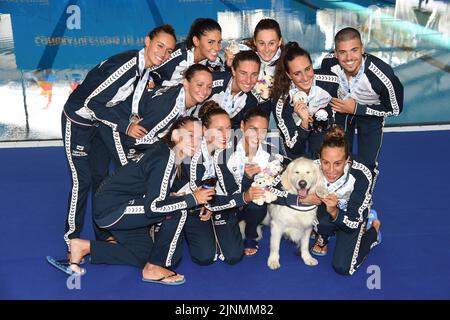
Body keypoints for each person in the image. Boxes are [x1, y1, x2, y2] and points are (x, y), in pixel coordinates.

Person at [49, 116, 215, 285]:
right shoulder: (166, 158)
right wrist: (193, 199)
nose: (196, 142)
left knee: (146, 256)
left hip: (120, 205)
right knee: (178, 211)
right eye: (190, 135)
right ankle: (153, 269)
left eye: (200, 138)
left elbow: (150, 188)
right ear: (175, 135)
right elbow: (153, 207)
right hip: (113, 209)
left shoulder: (166, 152)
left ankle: (84, 247)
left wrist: (172, 197)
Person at [60, 25, 177, 256]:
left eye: (168, 50)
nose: (163, 54)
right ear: (147, 41)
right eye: (159, 46)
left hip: (101, 124)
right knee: (81, 181)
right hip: (79, 122)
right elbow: (91, 103)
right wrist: (125, 126)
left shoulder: (146, 69)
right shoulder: (127, 66)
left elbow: (116, 100)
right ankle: (71, 239)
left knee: (100, 179)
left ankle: (104, 234)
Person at [168, 101, 266, 265]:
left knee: (233, 257)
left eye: (228, 128)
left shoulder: (224, 152)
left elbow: (230, 192)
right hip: (189, 207)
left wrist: (242, 189)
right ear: (205, 131)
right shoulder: (192, 155)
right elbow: (196, 195)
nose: (226, 135)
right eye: (219, 130)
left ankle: (223, 225)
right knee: (204, 258)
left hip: (217, 203)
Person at [320, 27, 403, 190]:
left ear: (362, 49)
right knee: (338, 156)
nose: (349, 58)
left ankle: (365, 200)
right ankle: (337, 193)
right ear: (335, 53)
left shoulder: (382, 75)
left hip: (369, 113)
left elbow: (395, 108)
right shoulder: (329, 64)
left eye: (354, 50)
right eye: (342, 52)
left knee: (367, 163)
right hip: (342, 112)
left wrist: (358, 109)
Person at [98, 64, 213, 167]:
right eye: (199, 85)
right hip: (118, 129)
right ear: (186, 84)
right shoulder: (168, 107)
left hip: (135, 134)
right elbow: (135, 139)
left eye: (209, 87)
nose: (204, 91)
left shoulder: (189, 102)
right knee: (131, 176)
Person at [304, 125, 381, 275]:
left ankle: (374, 231)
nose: (331, 170)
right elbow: (283, 187)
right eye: (325, 162)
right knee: (316, 217)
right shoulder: (310, 166)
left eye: (338, 163)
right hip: (324, 208)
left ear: (347, 160)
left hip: (352, 213)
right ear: (319, 158)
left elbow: (352, 223)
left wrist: (334, 211)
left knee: (342, 267)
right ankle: (323, 235)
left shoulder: (362, 174)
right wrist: (304, 198)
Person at [223, 107, 288, 256]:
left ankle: (251, 234)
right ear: (242, 126)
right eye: (253, 129)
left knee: (258, 204)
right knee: (230, 254)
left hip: (254, 205)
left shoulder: (271, 151)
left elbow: (284, 173)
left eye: (263, 130)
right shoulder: (226, 151)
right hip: (229, 204)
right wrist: (245, 179)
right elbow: (225, 190)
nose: (258, 135)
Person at [271, 42, 339, 159]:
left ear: (312, 65)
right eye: (297, 73)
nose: (305, 77)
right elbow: (294, 148)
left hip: (323, 132)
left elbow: (343, 112)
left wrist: (325, 113)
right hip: (298, 139)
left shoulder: (332, 81)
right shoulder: (281, 100)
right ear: (289, 75)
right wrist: (304, 123)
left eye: (307, 69)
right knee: (297, 165)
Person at [224, 18, 283, 103]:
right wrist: (228, 66)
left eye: (271, 43)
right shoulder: (243, 54)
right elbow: (227, 87)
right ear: (255, 41)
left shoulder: (287, 63)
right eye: (261, 43)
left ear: (279, 41)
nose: (266, 49)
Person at [152, 18, 223, 87]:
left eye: (219, 42)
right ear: (196, 41)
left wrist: (229, 65)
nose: (217, 48)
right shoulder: (177, 56)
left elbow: (224, 82)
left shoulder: (215, 62)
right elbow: (147, 69)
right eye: (210, 42)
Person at [206, 50, 260, 129]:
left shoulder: (251, 101)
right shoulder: (211, 80)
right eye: (243, 73)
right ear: (233, 71)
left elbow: (237, 130)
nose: (249, 80)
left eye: (254, 74)